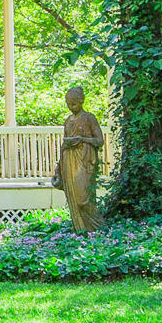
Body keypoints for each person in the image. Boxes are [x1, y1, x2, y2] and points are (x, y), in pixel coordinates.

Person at [58, 86, 105, 233]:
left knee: (83, 199)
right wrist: (58, 168)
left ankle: (99, 228)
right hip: (68, 161)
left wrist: (82, 139)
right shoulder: (67, 121)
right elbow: (63, 145)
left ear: (81, 101)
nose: (71, 107)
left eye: (74, 103)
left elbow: (99, 140)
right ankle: (81, 230)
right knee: (74, 200)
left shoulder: (89, 118)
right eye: (68, 103)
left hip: (85, 161)